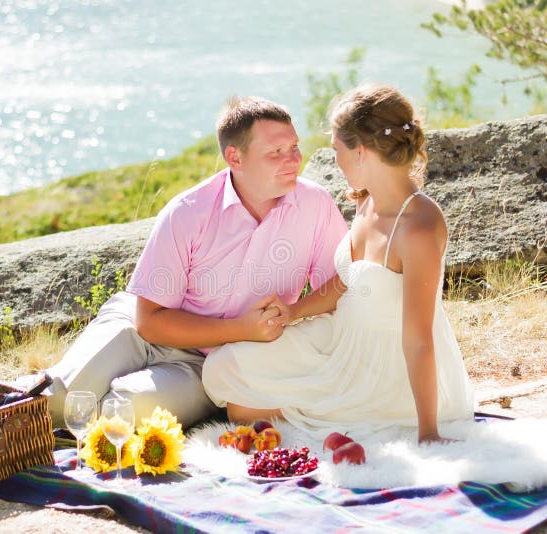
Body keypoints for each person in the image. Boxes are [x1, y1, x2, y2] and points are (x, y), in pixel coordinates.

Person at [41, 97, 348, 429]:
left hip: (209, 362)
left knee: (122, 413)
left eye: (294, 147)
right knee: (57, 398)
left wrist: (293, 315)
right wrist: (240, 328)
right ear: (235, 157)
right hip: (137, 328)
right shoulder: (188, 211)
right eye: (276, 152)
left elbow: (339, 284)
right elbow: (149, 321)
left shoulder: (314, 205)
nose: (293, 160)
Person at [202, 84, 474, 444]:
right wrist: (293, 312)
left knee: (242, 410)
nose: (336, 161)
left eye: (337, 151)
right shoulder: (367, 200)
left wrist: (429, 432)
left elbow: (420, 340)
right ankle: (318, 401)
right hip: (341, 339)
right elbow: (350, 281)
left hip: (387, 370)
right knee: (222, 368)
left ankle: (364, 414)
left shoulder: (418, 228)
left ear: (360, 152)